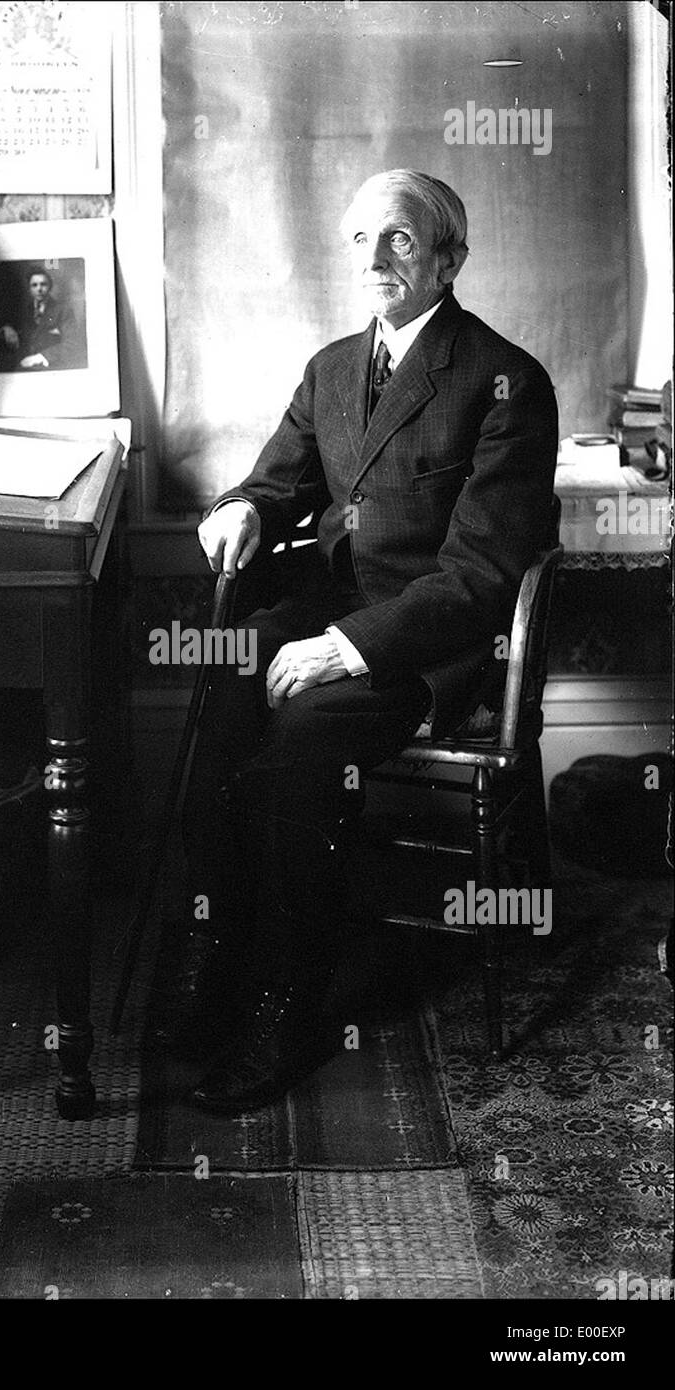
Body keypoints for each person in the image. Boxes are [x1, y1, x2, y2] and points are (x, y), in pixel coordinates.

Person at [176, 169, 559, 1113]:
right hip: (329, 605)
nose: (377, 258)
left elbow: (478, 578)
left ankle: (286, 1006)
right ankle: (218, 968)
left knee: (298, 748)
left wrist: (343, 650)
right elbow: (279, 483)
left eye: (399, 239)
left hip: (426, 641)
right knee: (219, 698)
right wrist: (240, 513)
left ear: (448, 258)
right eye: (362, 240)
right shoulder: (334, 366)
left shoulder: (505, 380)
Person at [0, 268, 72, 371]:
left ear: (50, 287)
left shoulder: (63, 310)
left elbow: (72, 344)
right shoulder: (24, 310)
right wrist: (7, 328)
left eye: (43, 284)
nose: (39, 289)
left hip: (51, 367)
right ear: (29, 289)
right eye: (34, 285)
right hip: (24, 366)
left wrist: (40, 357)